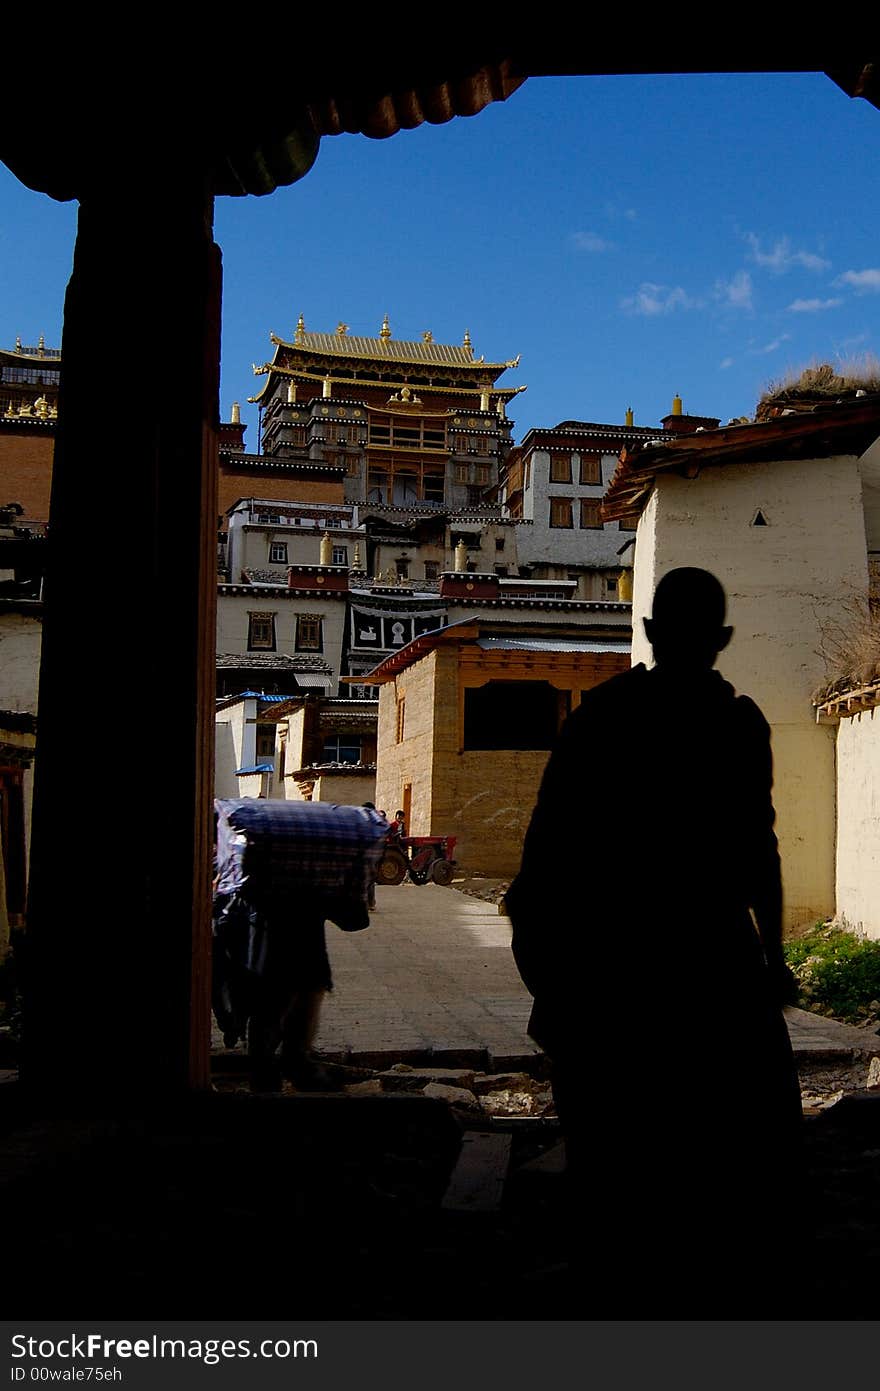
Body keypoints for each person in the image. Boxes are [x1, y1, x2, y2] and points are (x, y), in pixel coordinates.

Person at [506, 567, 802, 1315]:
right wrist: (772, 957)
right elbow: (757, 851)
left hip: (612, 967)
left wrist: (548, 966)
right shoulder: (738, 724)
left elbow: (547, 852)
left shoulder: (600, 719)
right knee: (726, 1150)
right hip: (712, 964)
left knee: (615, 1152)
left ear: (648, 634)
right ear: (722, 640)